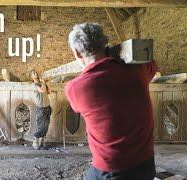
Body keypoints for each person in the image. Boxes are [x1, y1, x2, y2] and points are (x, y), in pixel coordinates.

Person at [65, 23, 157, 180]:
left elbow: (78, 106)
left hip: (112, 170)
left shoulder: (75, 88)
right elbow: (152, 64)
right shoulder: (139, 70)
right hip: (146, 165)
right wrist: (115, 55)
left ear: (77, 53)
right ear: (104, 43)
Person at [31, 70, 52, 150]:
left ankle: (42, 142)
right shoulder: (34, 85)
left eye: (36, 72)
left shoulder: (42, 84)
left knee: (46, 125)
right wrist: (43, 82)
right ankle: (35, 140)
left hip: (47, 106)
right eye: (33, 73)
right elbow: (42, 90)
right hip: (41, 107)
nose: (35, 74)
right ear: (31, 77)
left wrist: (47, 83)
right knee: (41, 126)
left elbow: (49, 92)